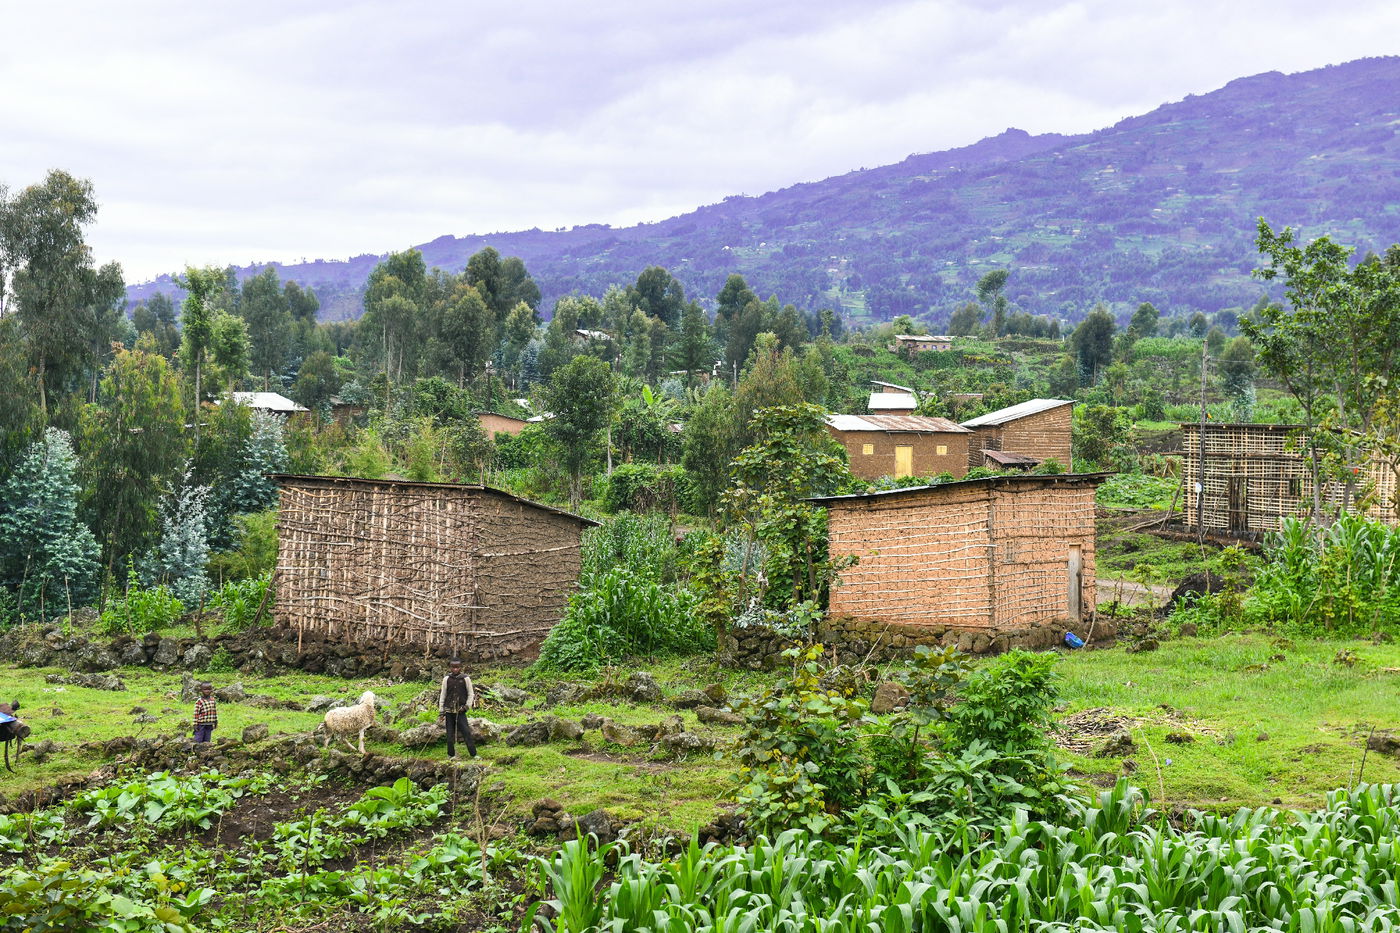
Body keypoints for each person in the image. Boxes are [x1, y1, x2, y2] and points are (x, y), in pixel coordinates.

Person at [438, 659, 477, 759]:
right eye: (453, 667)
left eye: (457, 667)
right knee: (449, 734)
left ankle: (473, 754)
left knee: (466, 732)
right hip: (449, 711)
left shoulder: (465, 679)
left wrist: (466, 706)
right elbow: (443, 694)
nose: (455, 669)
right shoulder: (446, 679)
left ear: (461, 667)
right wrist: (441, 711)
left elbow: (470, 693)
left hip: (461, 711)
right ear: (450, 667)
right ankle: (451, 755)